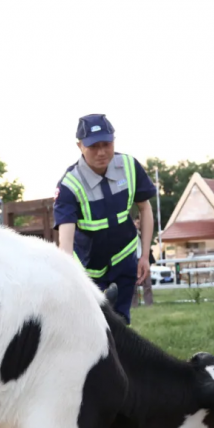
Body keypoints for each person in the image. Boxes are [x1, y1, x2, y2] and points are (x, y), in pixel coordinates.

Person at [53, 113, 157, 324]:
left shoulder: (129, 166)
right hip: (88, 270)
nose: (101, 152)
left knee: (121, 323)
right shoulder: (69, 185)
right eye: (93, 146)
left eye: (106, 144)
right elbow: (66, 242)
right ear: (80, 146)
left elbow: (145, 209)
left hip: (125, 259)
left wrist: (144, 256)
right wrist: (69, 278)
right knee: (93, 326)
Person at [131, 215, 155, 307]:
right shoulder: (130, 234)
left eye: (140, 223)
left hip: (143, 259)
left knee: (147, 283)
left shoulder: (143, 235)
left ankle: (149, 304)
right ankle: (134, 304)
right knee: (133, 285)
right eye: (137, 223)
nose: (138, 225)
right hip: (134, 259)